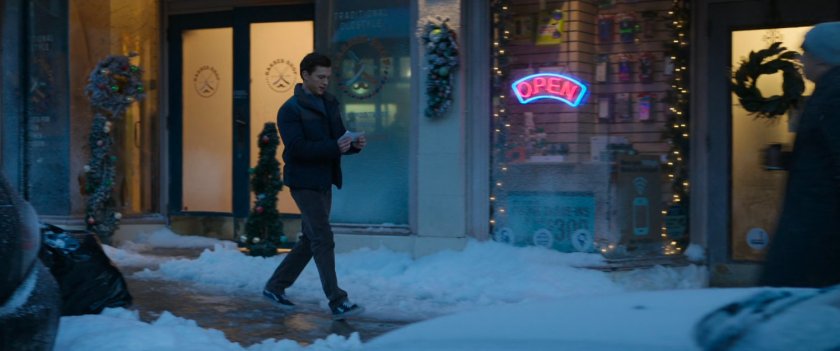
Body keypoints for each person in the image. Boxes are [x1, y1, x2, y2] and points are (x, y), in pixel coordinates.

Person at [263, 52, 367, 319]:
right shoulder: (290, 110)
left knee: (311, 239)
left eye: (328, 78)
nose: (325, 82)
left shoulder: (330, 102)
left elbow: (338, 138)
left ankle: (275, 286)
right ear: (305, 75)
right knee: (322, 237)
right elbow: (297, 149)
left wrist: (352, 145)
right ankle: (337, 300)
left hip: (324, 179)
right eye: (320, 77)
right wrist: (334, 146)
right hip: (303, 181)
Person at [760, 22, 840, 288]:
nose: (802, 60)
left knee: (788, 289)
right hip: (815, 216)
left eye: (806, 53)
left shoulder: (834, 95)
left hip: (818, 220)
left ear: (823, 58)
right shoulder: (828, 92)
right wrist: (791, 160)